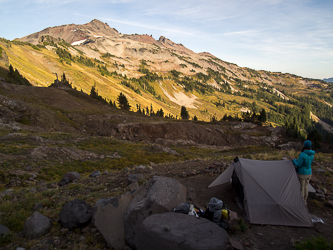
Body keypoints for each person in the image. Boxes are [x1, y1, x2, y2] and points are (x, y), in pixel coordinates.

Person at [292, 140, 315, 205]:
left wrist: (293, 159)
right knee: (306, 187)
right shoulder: (312, 154)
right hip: (309, 173)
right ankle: (305, 201)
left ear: (304, 145)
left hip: (302, 173)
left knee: (302, 187)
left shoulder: (303, 154)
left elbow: (298, 164)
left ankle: (301, 202)